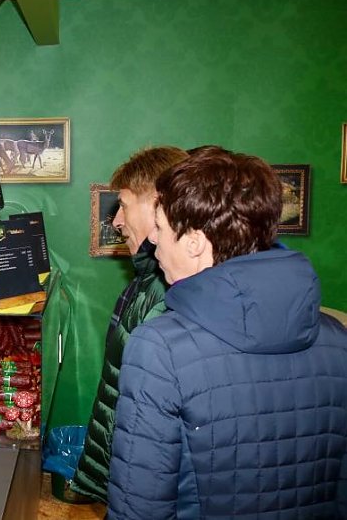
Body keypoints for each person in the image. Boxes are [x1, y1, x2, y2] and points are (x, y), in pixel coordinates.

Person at [107, 147, 347, 518]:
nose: (154, 245)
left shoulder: (159, 348)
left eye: (162, 230)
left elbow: (140, 506)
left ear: (194, 241)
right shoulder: (338, 340)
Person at [71, 146, 189, 503]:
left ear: (158, 203)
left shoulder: (168, 290)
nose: (117, 220)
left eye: (123, 204)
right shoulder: (147, 281)